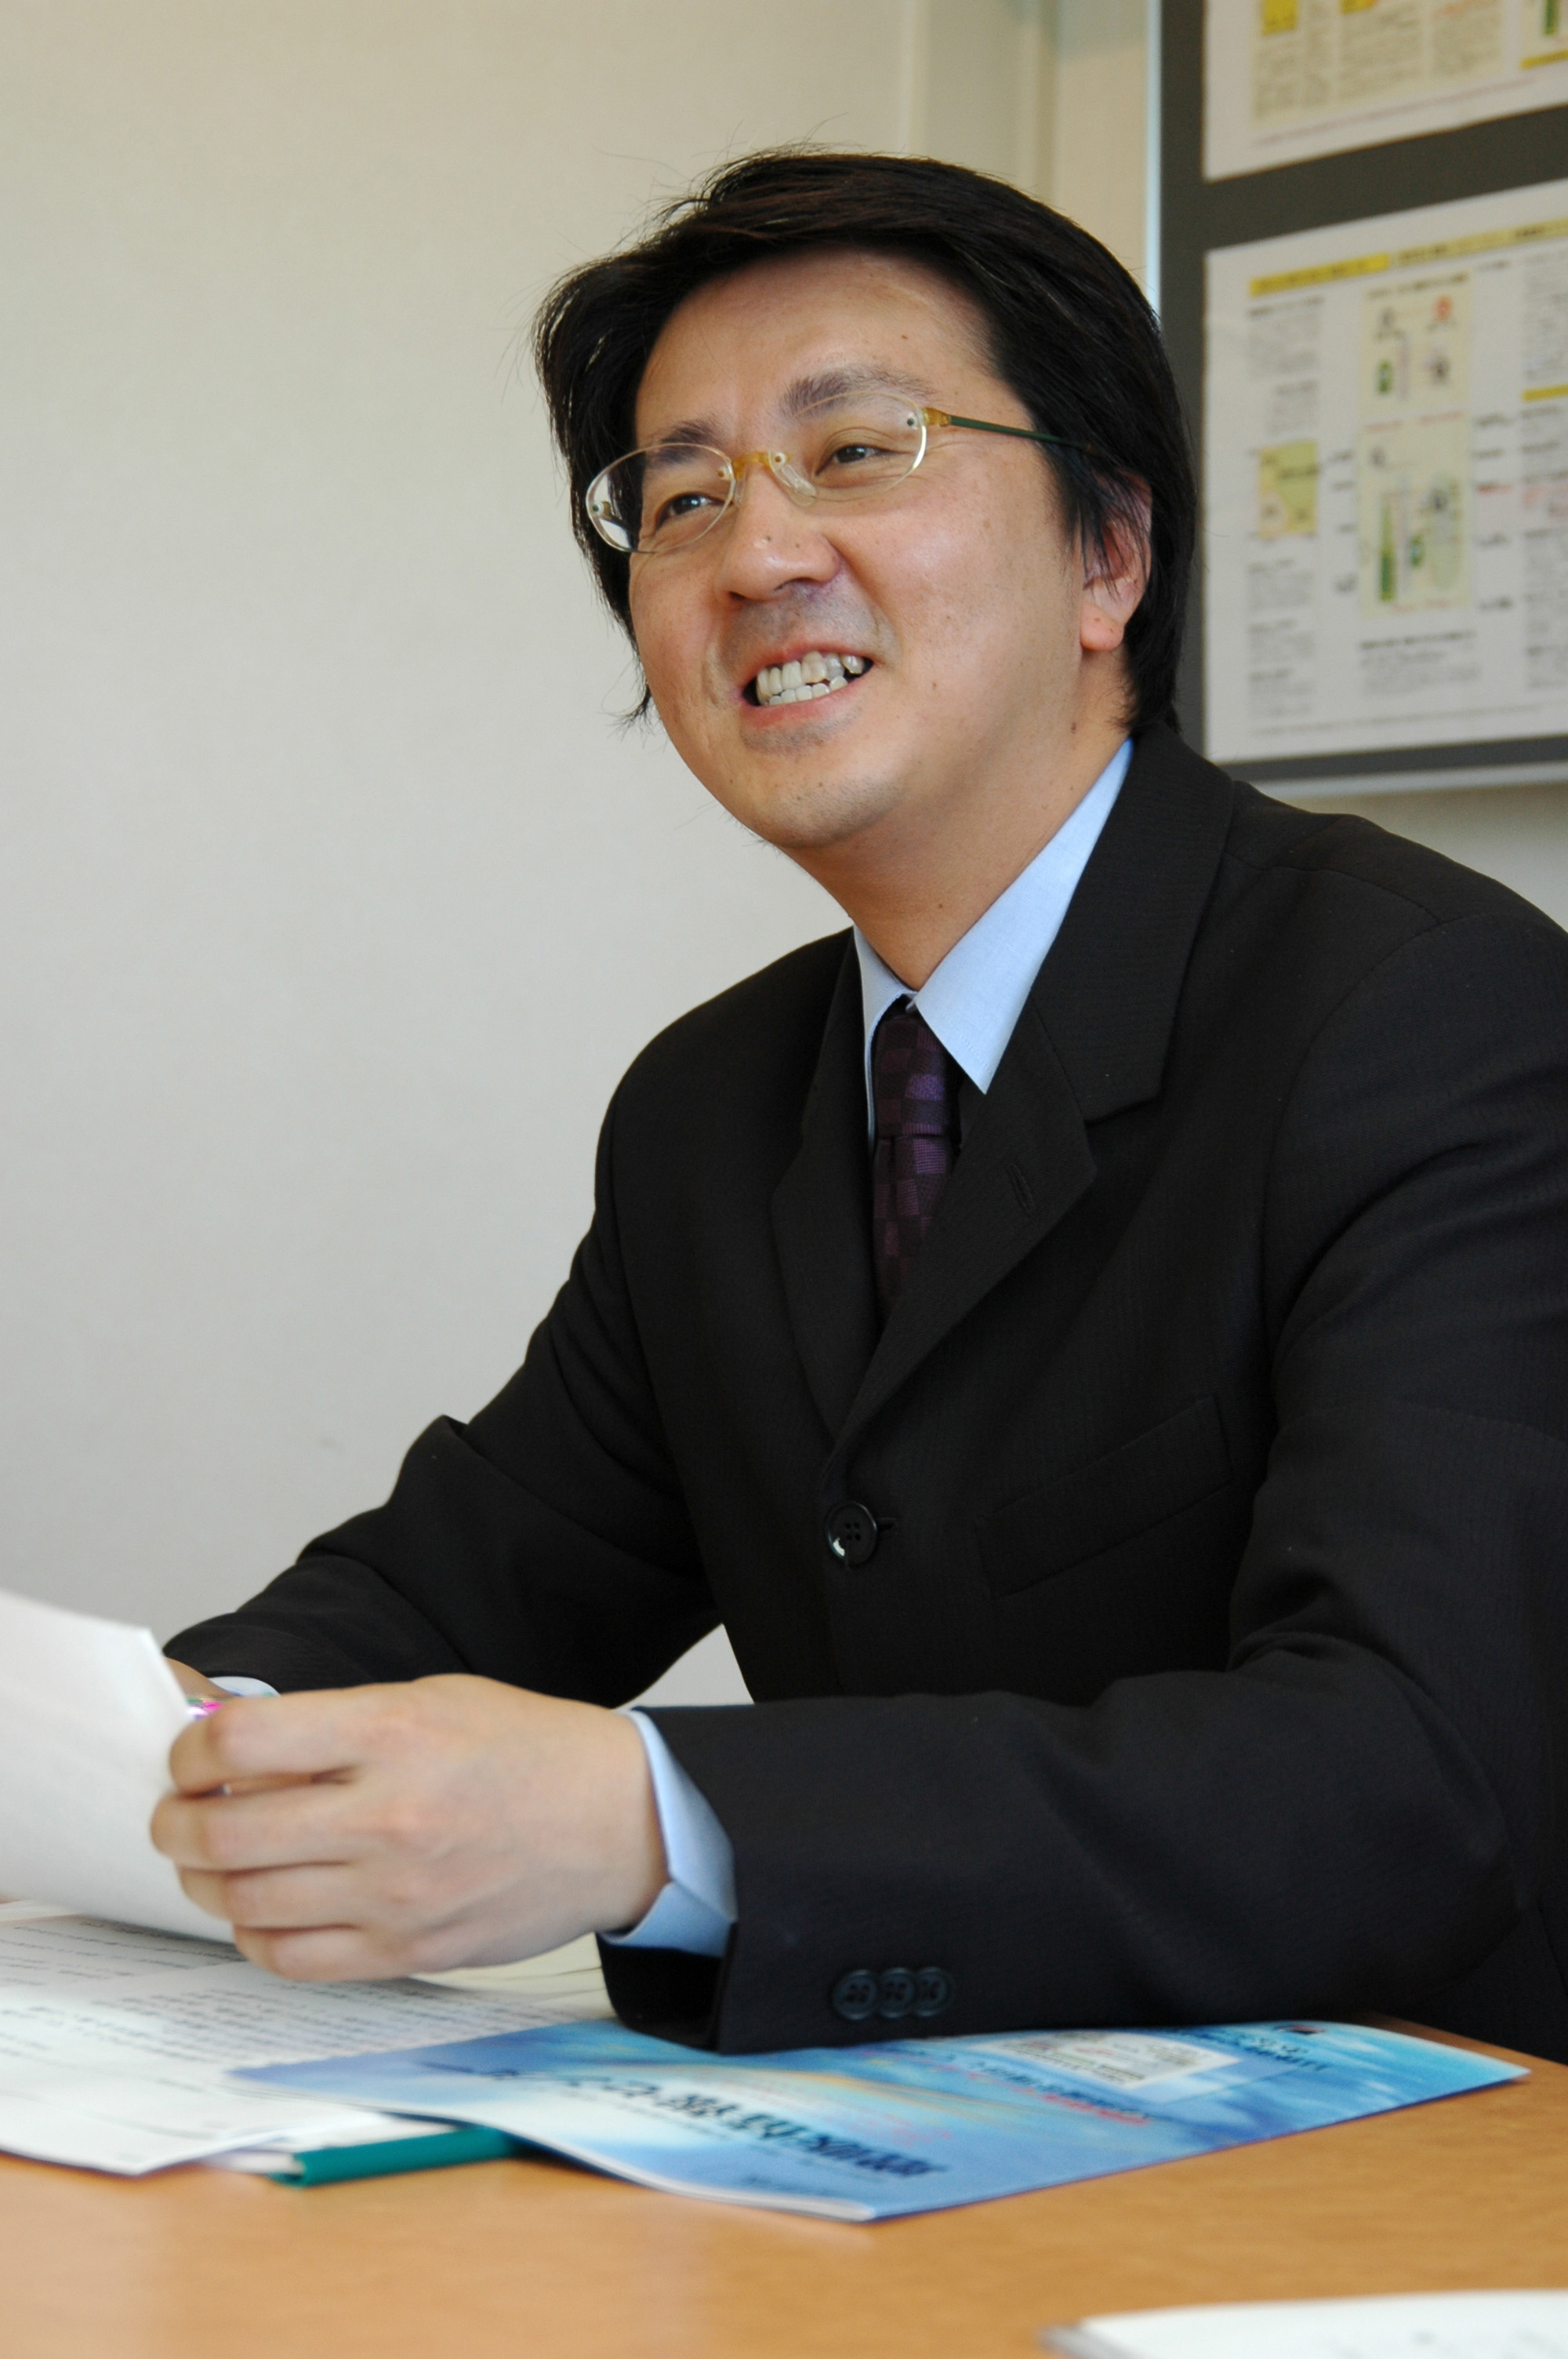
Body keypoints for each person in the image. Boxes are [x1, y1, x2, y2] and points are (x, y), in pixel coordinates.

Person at [158, 150, 1568, 2063]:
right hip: (919, 2158)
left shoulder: (1423, 1012)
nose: (755, 557)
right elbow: (463, 1584)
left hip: (1419, 2163)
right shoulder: (713, 1108)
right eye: (681, 497)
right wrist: (158, 1748)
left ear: (1109, 553)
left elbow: (1412, 1772)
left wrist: (655, 1822)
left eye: (854, 452)